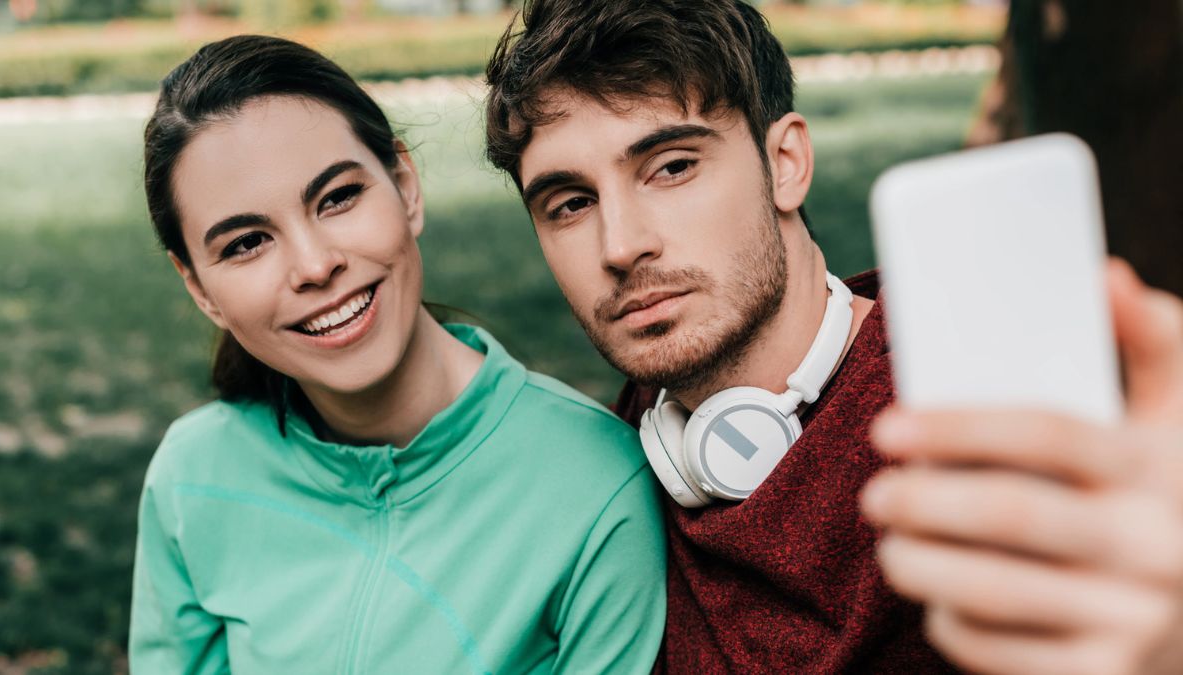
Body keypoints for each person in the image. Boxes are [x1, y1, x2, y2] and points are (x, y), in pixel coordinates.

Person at [482, 0, 1183, 673]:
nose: (621, 245)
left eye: (672, 166)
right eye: (571, 202)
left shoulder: (971, 410)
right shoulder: (630, 438)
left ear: (785, 162)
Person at [129, 35, 665, 674]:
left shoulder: (597, 485)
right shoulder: (192, 477)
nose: (315, 265)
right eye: (246, 242)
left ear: (405, 186)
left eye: (337, 198)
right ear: (198, 288)